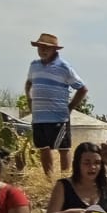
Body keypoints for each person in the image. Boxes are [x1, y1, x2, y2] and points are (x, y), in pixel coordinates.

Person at [25, 33, 88, 177]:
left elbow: (82, 88)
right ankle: (49, 179)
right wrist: (29, 100)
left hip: (58, 116)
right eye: (40, 47)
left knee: (63, 148)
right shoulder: (34, 65)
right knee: (43, 148)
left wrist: (70, 107)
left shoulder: (64, 67)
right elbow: (28, 84)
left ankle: (65, 178)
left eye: (46, 47)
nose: (42, 50)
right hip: (39, 116)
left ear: (54, 49)